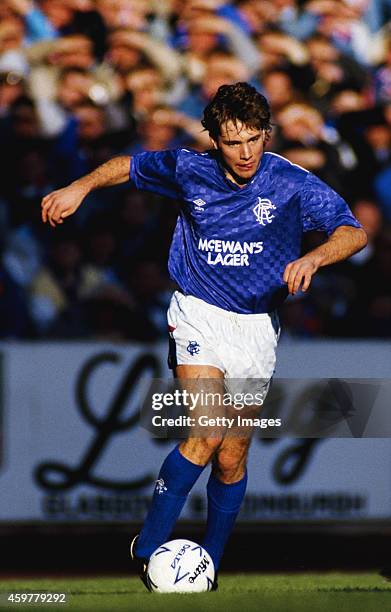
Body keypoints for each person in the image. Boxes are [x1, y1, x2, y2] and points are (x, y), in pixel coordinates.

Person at [40, 82, 367, 590]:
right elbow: (126, 165)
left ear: (267, 134)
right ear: (214, 139)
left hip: (258, 326)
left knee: (232, 456)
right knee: (207, 432)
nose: (245, 152)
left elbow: (353, 230)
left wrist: (314, 256)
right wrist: (79, 187)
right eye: (233, 141)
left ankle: (208, 564)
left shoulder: (291, 183)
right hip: (198, 312)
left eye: (254, 139)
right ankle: (148, 547)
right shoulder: (188, 169)